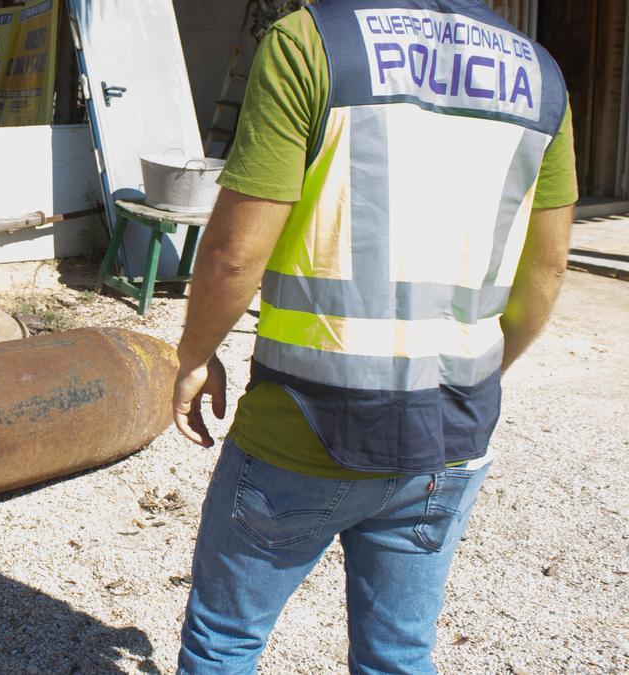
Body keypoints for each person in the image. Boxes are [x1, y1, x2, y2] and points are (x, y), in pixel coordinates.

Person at [170, 1, 577, 673]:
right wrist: (473, 371)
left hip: (301, 426)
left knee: (225, 643)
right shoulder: (540, 76)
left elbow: (232, 255)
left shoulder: (311, 43)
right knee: (399, 656)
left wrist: (194, 352)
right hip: (450, 432)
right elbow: (549, 267)